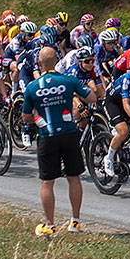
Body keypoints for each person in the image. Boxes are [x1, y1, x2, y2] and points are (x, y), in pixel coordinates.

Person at [22, 45, 89, 235]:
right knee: (74, 177)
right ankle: (75, 222)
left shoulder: (32, 87)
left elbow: (25, 116)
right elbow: (91, 97)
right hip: (69, 133)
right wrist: (74, 96)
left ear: (39, 64)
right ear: (56, 62)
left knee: (47, 182)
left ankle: (50, 225)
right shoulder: (69, 80)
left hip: (47, 135)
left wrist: (38, 118)